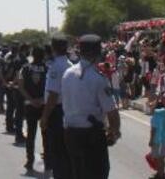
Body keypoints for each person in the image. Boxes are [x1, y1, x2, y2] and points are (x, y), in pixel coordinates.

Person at [61, 34, 121, 179]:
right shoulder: (98, 79)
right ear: (98, 54)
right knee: (98, 173)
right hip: (91, 136)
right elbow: (112, 112)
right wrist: (114, 133)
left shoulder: (67, 74)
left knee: (77, 173)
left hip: (70, 134)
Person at [40, 33, 73, 179]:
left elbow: (53, 95)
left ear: (53, 48)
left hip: (57, 112)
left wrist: (44, 117)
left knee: (57, 152)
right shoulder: (70, 65)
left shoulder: (56, 66)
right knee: (66, 152)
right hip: (68, 110)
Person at [19, 45, 48, 171]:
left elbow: (20, 86)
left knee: (31, 134)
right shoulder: (48, 69)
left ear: (32, 54)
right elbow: (51, 88)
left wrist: (31, 100)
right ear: (44, 56)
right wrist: (41, 100)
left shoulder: (25, 68)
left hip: (30, 105)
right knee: (46, 134)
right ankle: (48, 160)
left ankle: (29, 160)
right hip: (44, 105)